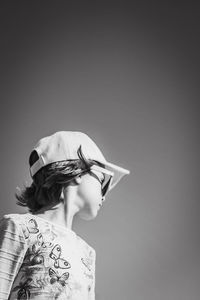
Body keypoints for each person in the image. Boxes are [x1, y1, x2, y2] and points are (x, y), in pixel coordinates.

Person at [0, 131, 130, 300]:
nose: (104, 195)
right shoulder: (18, 227)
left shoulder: (87, 253)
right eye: (103, 181)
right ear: (77, 173)